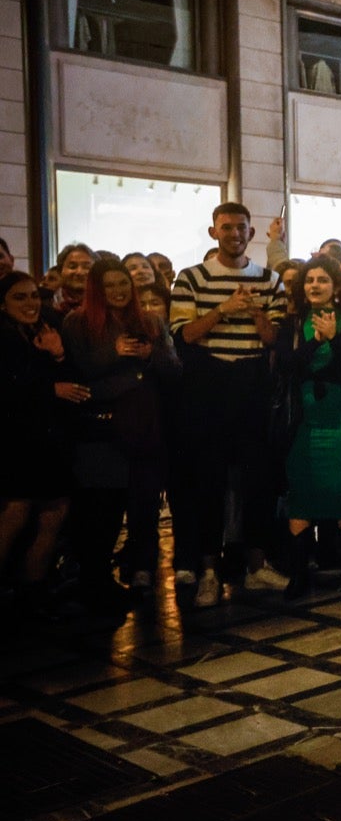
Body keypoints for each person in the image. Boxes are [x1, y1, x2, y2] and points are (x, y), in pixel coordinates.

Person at [169, 202, 288, 606]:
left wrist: (255, 313)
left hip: (253, 380)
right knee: (209, 479)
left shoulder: (270, 280)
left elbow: (273, 340)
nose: (234, 234)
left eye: (241, 228)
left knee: (259, 477)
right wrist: (224, 309)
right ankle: (207, 570)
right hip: (208, 382)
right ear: (213, 232)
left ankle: (256, 565)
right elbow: (184, 336)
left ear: (252, 234)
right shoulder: (191, 278)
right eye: (226, 228)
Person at [62, 258, 179, 609]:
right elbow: (78, 369)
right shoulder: (77, 322)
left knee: (143, 501)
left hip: (143, 424)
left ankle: (137, 569)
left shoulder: (150, 321)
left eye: (123, 284)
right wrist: (114, 354)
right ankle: (93, 578)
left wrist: (149, 354)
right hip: (99, 427)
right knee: (101, 507)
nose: (118, 291)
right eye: (110, 285)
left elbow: (174, 370)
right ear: (97, 290)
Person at [276, 257, 341, 598]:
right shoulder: (294, 321)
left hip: (340, 415)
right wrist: (316, 340)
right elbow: (287, 365)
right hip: (304, 416)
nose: (314, 285)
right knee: (301, 492)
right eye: (309, 280)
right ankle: (299, 576)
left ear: (336, 286)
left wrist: (335, 337)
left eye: (322, 280)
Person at [0, 272, 81, 618]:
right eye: (20, 297)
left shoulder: (42, 330)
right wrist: (50, 389)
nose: (31, 303)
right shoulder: (4, 337)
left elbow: (68, 379)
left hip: (46, 439)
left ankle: (32, 590)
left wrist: (59, 354)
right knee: (16, 512)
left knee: (52, 512)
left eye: (34, 295)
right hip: (17, 439)